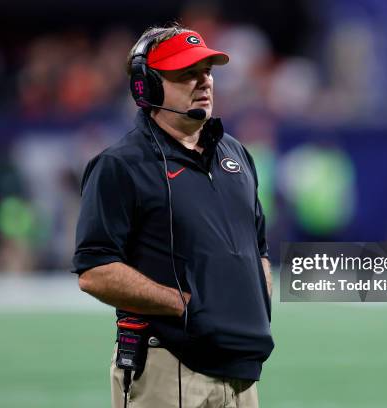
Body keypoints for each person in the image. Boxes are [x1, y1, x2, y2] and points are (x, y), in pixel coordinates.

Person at [72, 23, 274, 408]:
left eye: (207, 72)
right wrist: (184, 303)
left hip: (241, 371)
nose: (204, 82)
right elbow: (94, 269)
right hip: (168, 367)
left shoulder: (236, 155)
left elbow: (258, 245)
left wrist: (255, 302)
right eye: (187, 74)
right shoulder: (121, 165)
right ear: (145, 86)